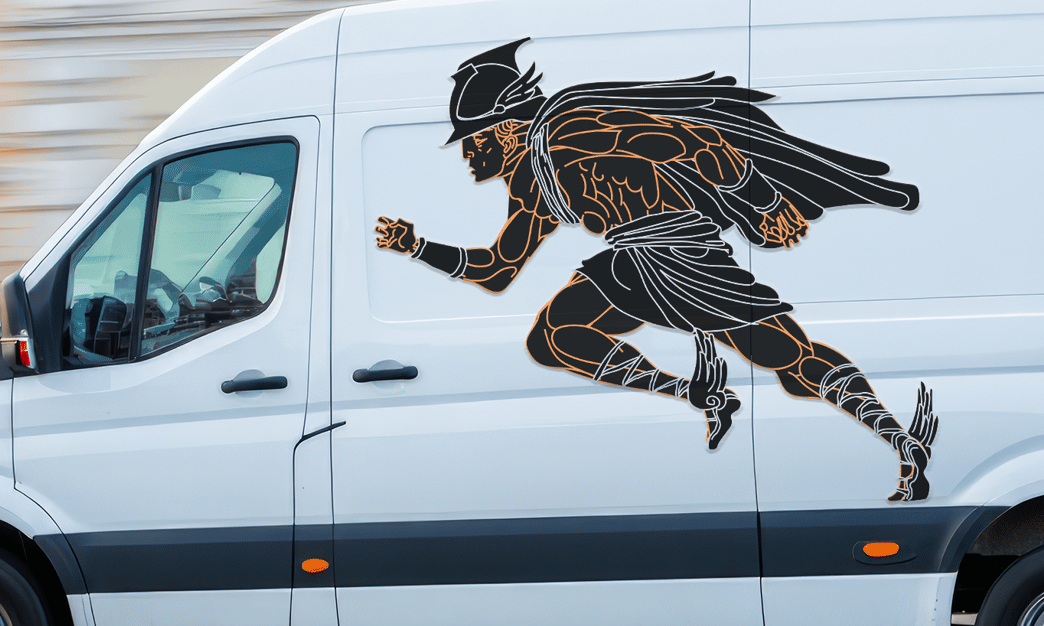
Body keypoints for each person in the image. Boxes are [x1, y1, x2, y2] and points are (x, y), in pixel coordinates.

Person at [376, 39, 937, 502]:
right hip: (632, 261)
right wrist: (417, 246)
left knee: (791, 360)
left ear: (505, 128)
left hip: (682, 258)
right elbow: (497, 269)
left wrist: (762, 202)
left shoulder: (568, 131)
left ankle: (899, 440)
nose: (466, 154)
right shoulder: (534, 185)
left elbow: (698, 140)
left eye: (471, 140)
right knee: (553, 336)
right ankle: (697, 393)